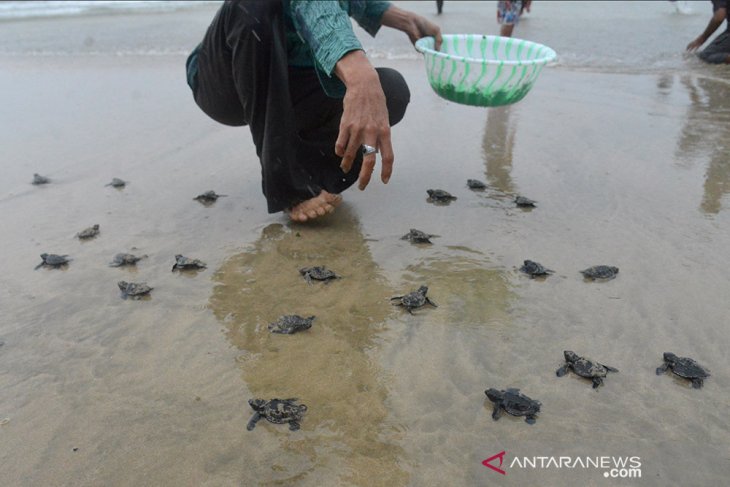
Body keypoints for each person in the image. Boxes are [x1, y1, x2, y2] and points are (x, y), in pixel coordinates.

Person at [186, 0, 442, 222]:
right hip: (224, 80)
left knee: (390, 91)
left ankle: (311, 174)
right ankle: (287, 187)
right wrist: (357, 72)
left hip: (288, 81)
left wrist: (405, 19)